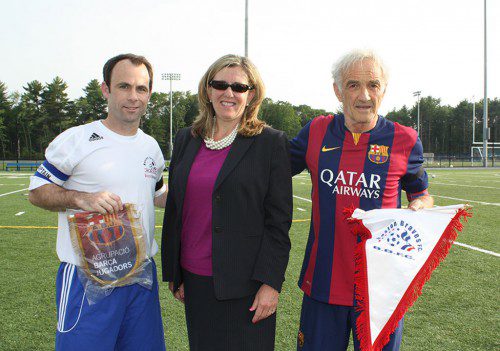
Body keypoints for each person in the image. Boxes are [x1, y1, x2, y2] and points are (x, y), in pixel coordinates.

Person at [290, 49, 434, 351]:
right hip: (322, 286)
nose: (364, 95)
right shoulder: (316, 131)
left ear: (384, 90)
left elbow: (421, 194)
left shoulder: (405, 140)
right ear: (338, 91)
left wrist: (417, 209)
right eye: (353, 84)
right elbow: (267, 169)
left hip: (380, 293)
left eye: (373, 84)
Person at [28, 53, 167, 351]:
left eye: (141, 89)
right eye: (124, 86)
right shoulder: (77, 139)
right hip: (86, 277)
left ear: (149, 94)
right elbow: (37, 191)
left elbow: (157, 196)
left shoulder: (151, 147)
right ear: (106, 89)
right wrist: (81, 198)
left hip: (140, 276)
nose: (133, 97)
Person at [161, 54, 292, 351]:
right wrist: (176, 271)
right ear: (208, 91)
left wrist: (270, 284)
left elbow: (278, 222)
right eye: (219, 84)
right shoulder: (186, 139)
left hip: (247, 285)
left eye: (239, 87)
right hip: (194, 279)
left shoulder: (270, 143)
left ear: (252, 94)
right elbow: (177, 210)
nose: (229, 93)